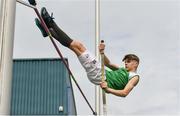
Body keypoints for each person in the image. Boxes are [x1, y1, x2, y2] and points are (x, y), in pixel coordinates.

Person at [35, 7, 140, 97]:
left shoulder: (134, 77)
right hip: (100, 72)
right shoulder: (122, 70)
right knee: (76, 47)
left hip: (100, 75)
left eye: (129, 61)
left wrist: (108, 90)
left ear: (136, 63)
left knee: (77, 46)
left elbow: (124, 93)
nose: (125, 63)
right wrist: (102, 52)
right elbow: (108, 63)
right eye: (125, 61)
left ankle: (51, 24)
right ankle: (48, 31)